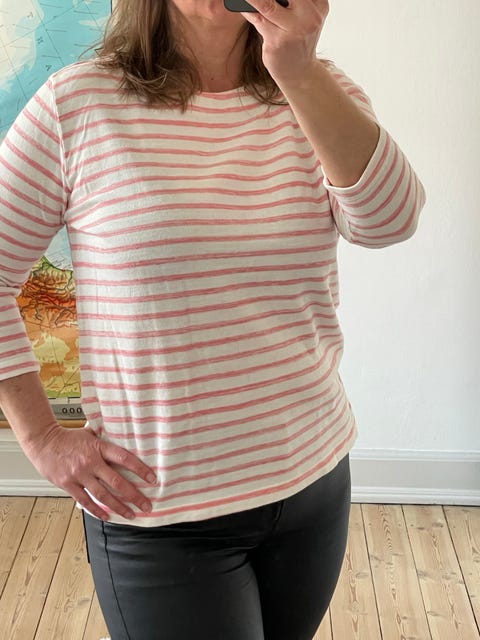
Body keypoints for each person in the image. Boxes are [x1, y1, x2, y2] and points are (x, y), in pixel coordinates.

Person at [0, 0, 426, 638]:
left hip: (312, 480)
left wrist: (299, 72)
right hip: (161, 511)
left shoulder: (315, 88)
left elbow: (390, 221)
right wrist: (40, 439)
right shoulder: (78, 103)